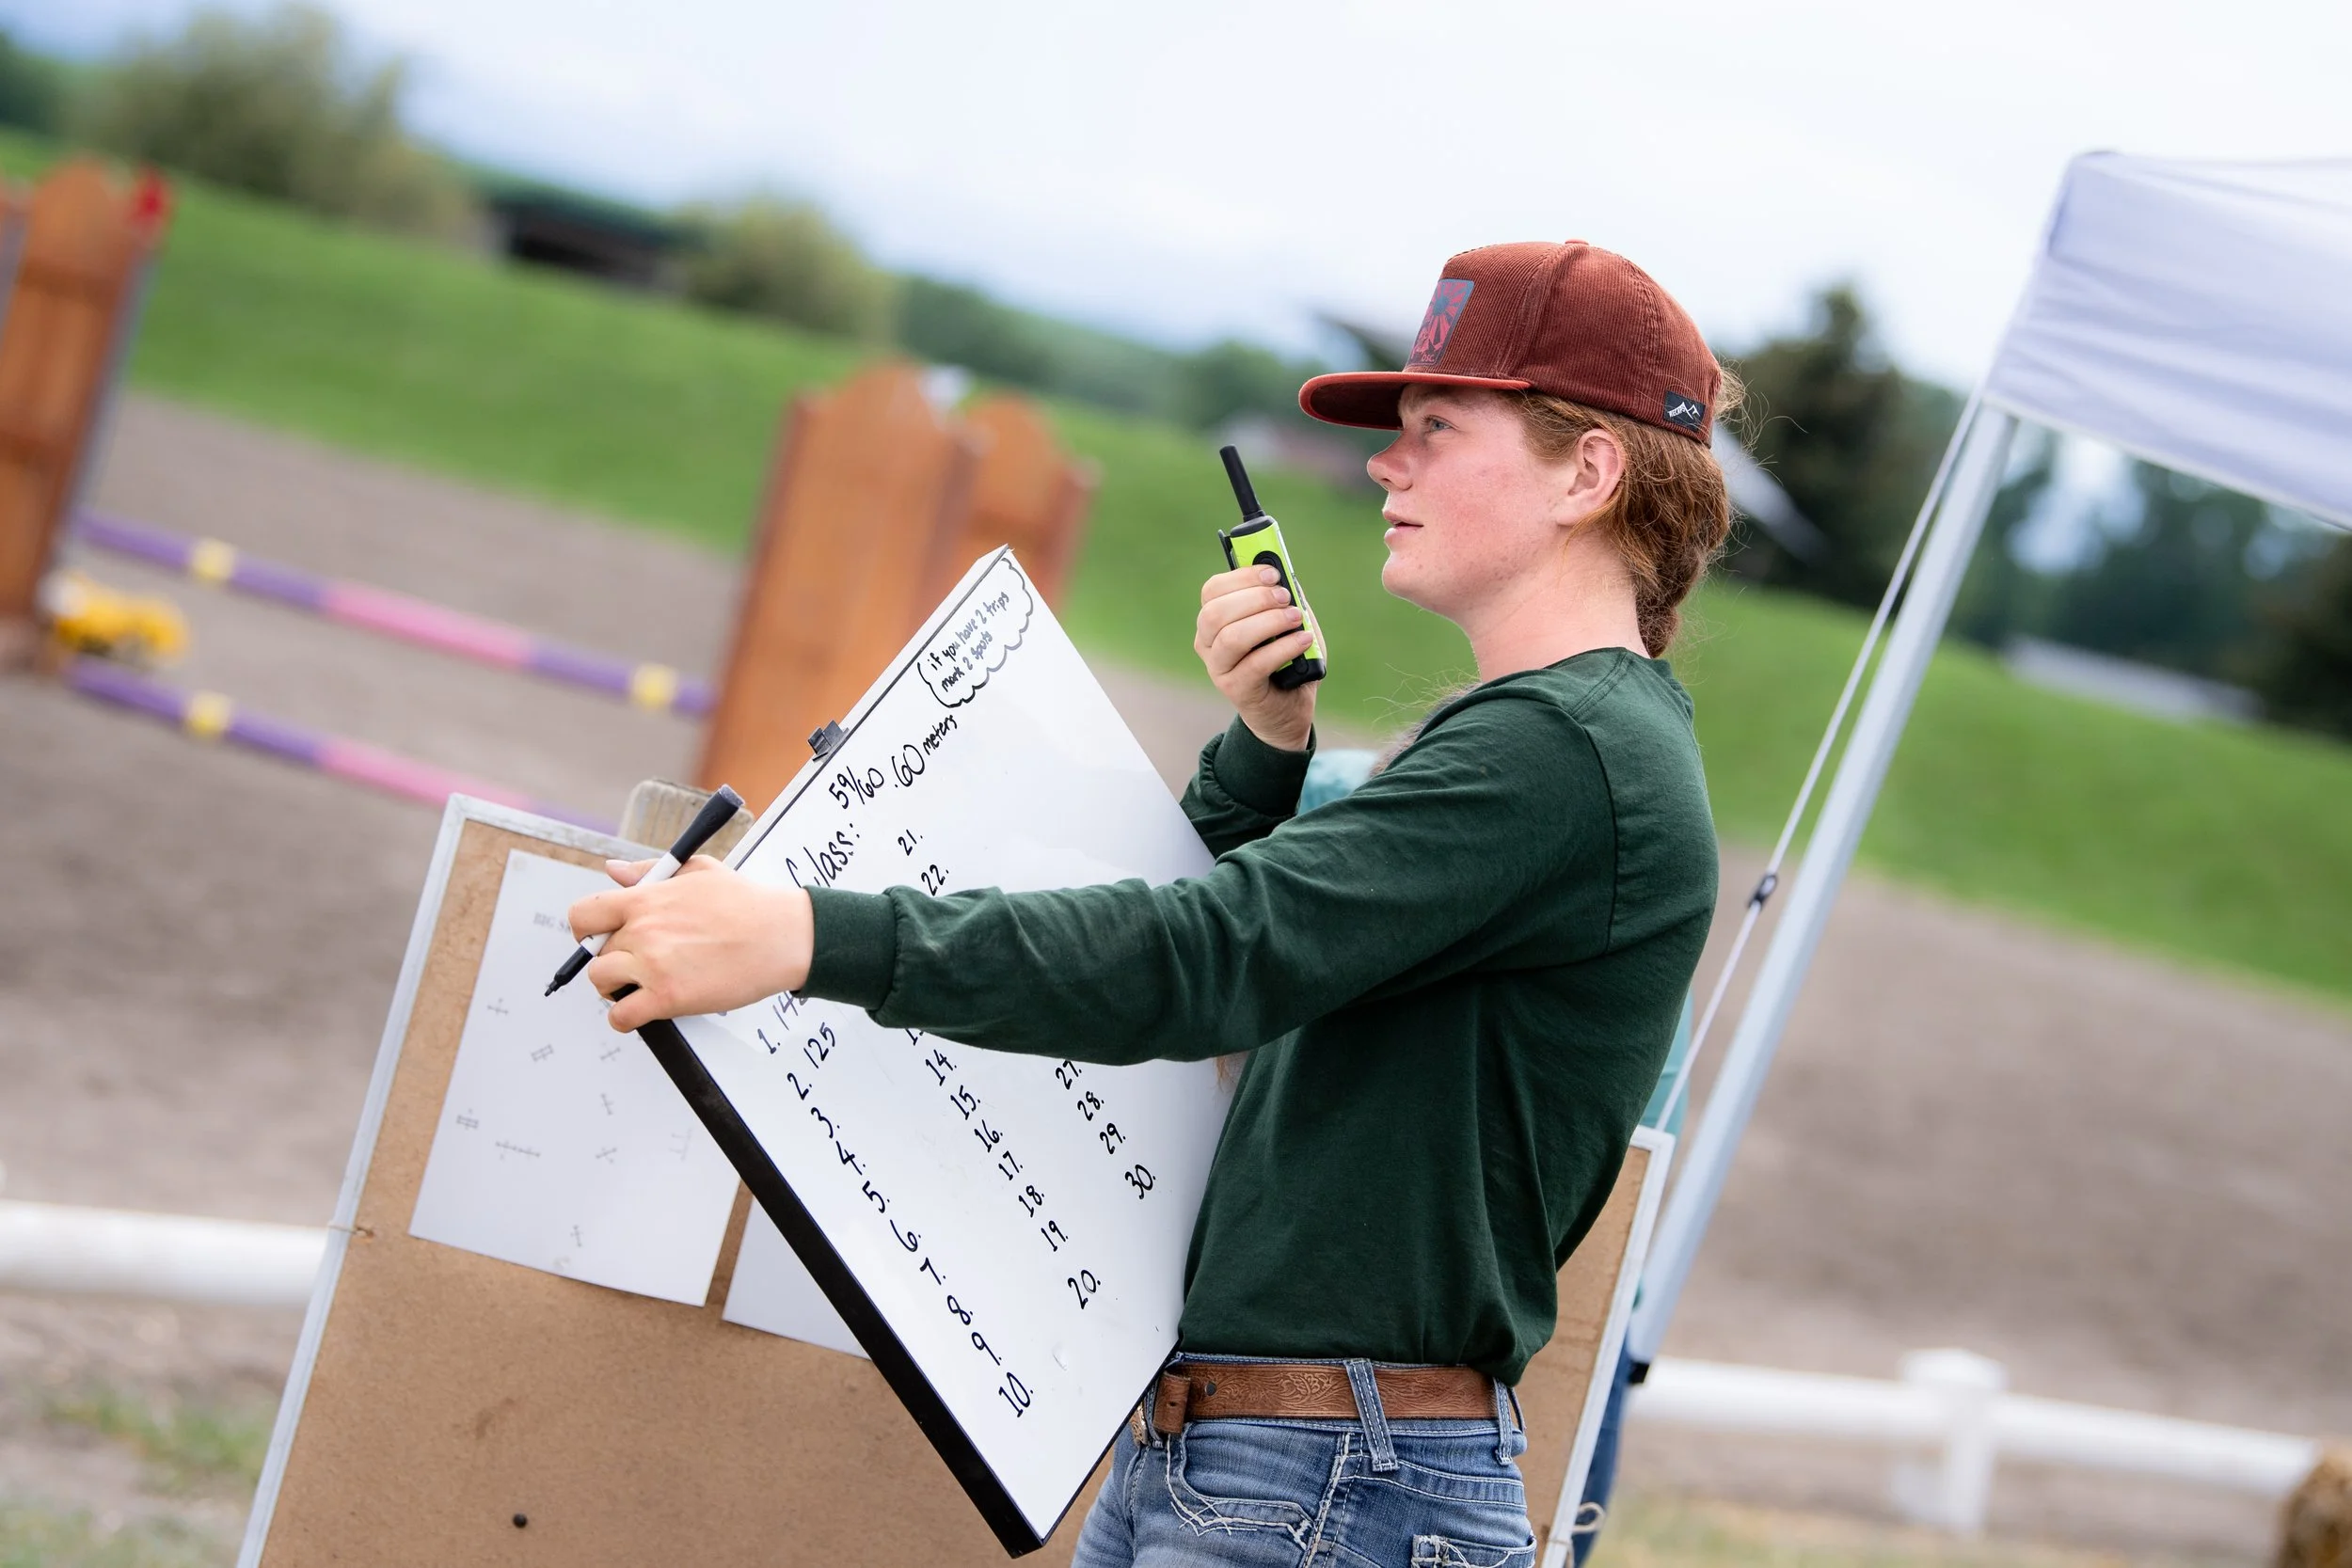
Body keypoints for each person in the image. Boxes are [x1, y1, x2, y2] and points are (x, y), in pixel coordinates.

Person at [570, 240, 1734, 1568]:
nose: (1384, 465)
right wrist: (1265, 749)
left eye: (1435, 428)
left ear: (1587, 473)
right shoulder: (1556, 740)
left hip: (1326, 1479)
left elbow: (1206, 957)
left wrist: (798, 934)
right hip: (1269, 1461)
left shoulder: (1562, 751)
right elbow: (1239, 955)